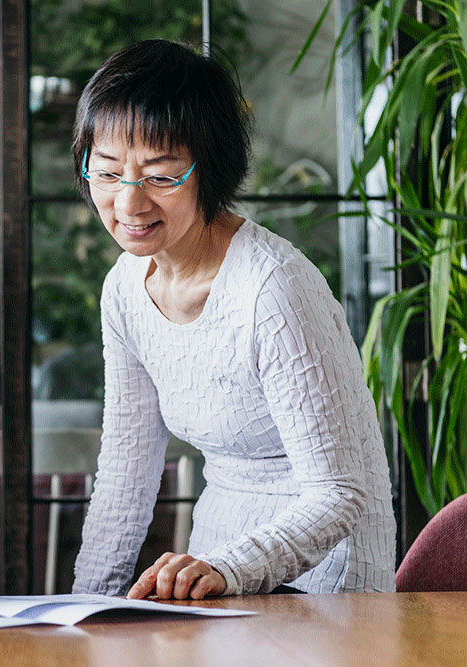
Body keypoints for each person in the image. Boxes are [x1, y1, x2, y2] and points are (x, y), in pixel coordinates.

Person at [70, 40, 396, 600]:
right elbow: (127, 471)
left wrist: (228, 569)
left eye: (160, 176)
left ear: (211, 170)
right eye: (107, 173)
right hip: (213, 565)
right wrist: (80, 612)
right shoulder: (124, 287)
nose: (129, 203)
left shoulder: (273, 287)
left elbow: (339, 494)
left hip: (325, 576)